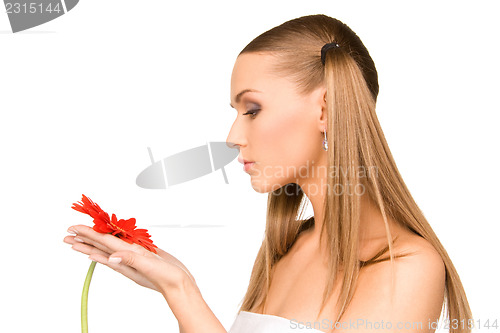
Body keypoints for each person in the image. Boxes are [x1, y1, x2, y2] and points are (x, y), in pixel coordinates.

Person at [64, 14, 473, 333]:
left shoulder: (407, 266)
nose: (233, 136)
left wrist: (182, 292)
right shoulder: (286, 247)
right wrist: (175, 284)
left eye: (253, 110)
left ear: (326, 110)